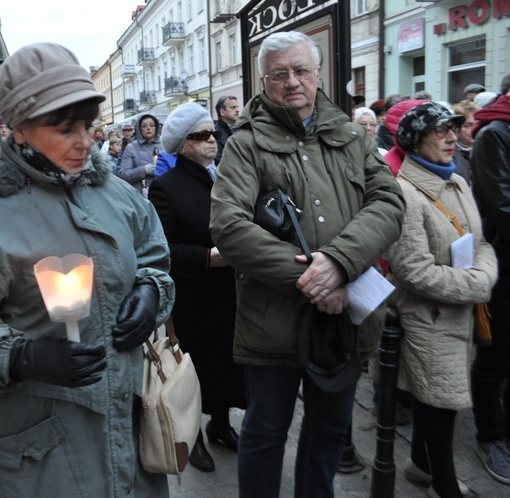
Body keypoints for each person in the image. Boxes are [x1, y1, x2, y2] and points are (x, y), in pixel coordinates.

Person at [0, 42, 175, 497]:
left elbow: (153, 254)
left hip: (125, 432)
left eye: (87, 126)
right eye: (64, 128)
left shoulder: (114, 193)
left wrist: (150, 292)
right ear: (19, 131)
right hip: (38, 452)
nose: (85, 141)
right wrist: (19, 357)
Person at [209, 31, 405, 498]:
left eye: (300, 70)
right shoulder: (245, 144)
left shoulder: (350, 135)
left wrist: (338, 262)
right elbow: (229, 227)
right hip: (272, 323)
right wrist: (316, 278)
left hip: (343, 321)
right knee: (265, 433)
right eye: (279, 74)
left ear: (318, 74)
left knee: (328, 435)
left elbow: (389, 202)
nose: (291, 82)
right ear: (264, 81)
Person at [385, 102, 497, 498]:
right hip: (428, 318)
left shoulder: (456, 181)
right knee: (438, 403)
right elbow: (413, 271)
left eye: (454, 129)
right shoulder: (403, 193)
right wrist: (479, 286)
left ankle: (420, 466)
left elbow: (479, 241)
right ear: (416, 140)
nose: (453, 137)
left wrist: (481, 276)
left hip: (459, 312)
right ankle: (445, 486)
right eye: (441, 131)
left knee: (438, 399)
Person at [148, 102, 245, 474]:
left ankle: (220, 425)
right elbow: (163, 249)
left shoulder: (220, 176)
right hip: (194, 297)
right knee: (197, 370)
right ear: (181, 144)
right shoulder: (165, 187)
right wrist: (208, 258)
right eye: (201, 136)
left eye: (213, 134)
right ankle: (195, 437)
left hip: (229, 292)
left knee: (227, 364)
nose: (212, 141)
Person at [470, 73, 510, 486]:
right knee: (496, 355)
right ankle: (490, 437)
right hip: (503, 261)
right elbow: (500, 205)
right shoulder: (494, 134)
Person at [118, 114, 162, 197]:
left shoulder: (165, 145)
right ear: (139, 129)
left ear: (156, 127)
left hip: (163, 193)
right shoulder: (131, 147)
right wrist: (144, 170)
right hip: (140, 196)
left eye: (152, 125)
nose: (148, 128)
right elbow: (124, 175)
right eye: (144, 126)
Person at [451, 100, 479, 182]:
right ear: (455, 128)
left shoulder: (486, 150)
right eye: (468, 125)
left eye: (477, 124)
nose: (474, 129)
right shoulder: (448, 154)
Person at [214, 95, 240, 165]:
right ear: (222, 112)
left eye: (237, 107)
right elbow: (218, 160)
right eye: (233, 107)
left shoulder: (241, 129)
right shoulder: (215, 133)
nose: (238, 110)